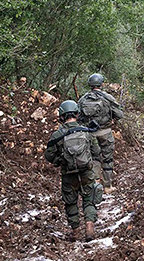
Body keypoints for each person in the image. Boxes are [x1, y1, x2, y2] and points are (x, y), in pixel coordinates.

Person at [45, 100, 102, 242]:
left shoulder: (57, 135)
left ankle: (75, 231)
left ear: (62, 116)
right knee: (89, 200)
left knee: (71, 203)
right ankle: (89, 227)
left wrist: (61, 161)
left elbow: (49, 155)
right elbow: (96, 151)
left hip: (68, 176)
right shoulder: (86, 131)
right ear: (77, 113)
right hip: (86, 173)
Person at [77, 73, 124, 194]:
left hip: (90, 133)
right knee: (107, 159)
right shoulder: (107, 97)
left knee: (94, 158)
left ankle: (96, 184)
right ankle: (107, 186)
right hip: (105, 132)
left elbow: (78, 117)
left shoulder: (83, 99)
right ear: (101, 84)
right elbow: (119, 114)